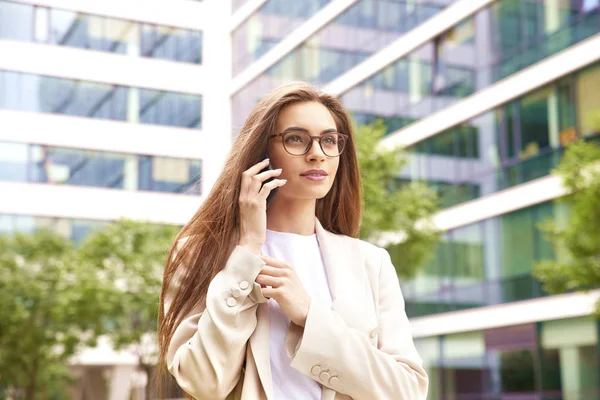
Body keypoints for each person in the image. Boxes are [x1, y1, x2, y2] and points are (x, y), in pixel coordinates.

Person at [157, 82, 428, 400]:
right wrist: (247, 250)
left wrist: (309, 317)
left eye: (329, 140)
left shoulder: (371, 263)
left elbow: (408, 391)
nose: (317, 154)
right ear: (263, 152)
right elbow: (204, 382)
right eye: (296, 139)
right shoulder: (198, 252)